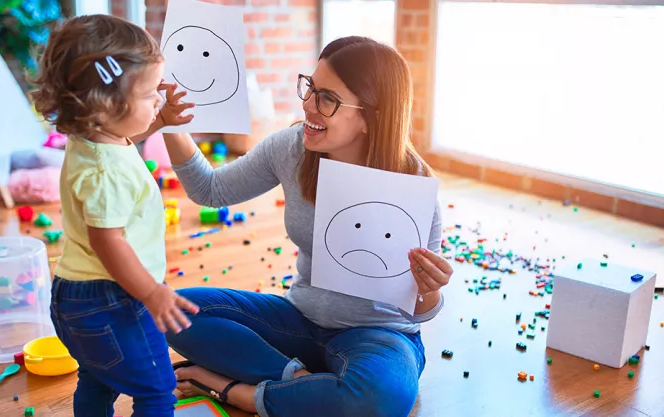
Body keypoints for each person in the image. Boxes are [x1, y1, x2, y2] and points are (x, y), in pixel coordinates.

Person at [162, 36, 454, 417]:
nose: (308, 105)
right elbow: (210, 189)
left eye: (327, 98)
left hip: (379, 336)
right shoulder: (292, 147)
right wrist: (170, 126)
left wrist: (430, 290)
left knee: (380, 398)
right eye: (310, 87)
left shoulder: (412, 183)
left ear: (371, 115)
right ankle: (297, 379)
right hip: (297, 322)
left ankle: (237, 390)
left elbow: (419, 311)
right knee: (168, 311)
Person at [31, 15, 199, 417]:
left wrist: (159, 121)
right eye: (148, 95)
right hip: (113, 298)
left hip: (72, 295)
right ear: (104, 106)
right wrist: (151, 292)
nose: (157, 100)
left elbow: (123, 138)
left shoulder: (90, 137)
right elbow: (109, 240)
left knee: (97, 378)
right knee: (158, 389)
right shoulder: (107, 175)